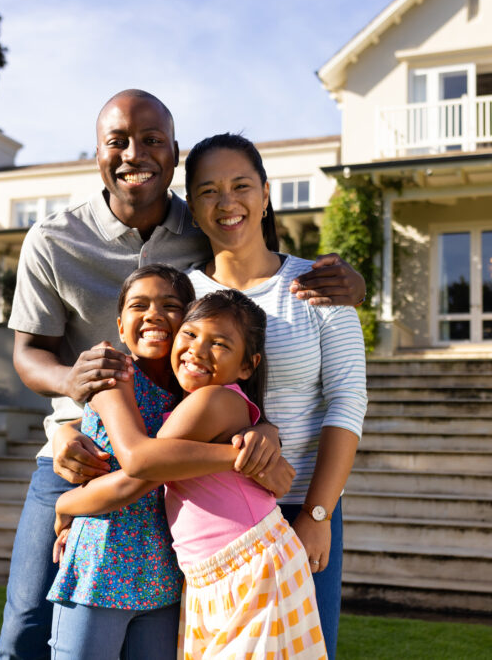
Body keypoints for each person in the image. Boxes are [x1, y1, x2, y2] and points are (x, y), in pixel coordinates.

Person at [0, 89, 366, 659]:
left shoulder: (263, 275)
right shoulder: (89, 253)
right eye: (117, 141)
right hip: (131, 472)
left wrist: (303, 493)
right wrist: (74, 410)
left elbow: (334, 398)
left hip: (247, 491)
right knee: (30, 627)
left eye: (151, 141)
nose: (226, 203)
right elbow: (55, 361)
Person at [88, 133, 366, 659]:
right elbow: (149, 386)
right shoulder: (184, 297)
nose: (227, 202)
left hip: (301, 504)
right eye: (209, 191)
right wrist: (66, 431)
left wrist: (318, 514)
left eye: (241, 186)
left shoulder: (319, 286)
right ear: (193, 206)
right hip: (204, 521)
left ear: (265, 193)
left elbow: (347, 401)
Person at [57, 288, 326, 658]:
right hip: (212, 573)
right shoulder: (189, 405)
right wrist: (64, 429)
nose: (198, 350)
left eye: (219, 344)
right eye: (190, 333)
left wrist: (65, 504)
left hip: (249, 566)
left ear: (248, 365)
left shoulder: (211, 401)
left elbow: (139, 465)